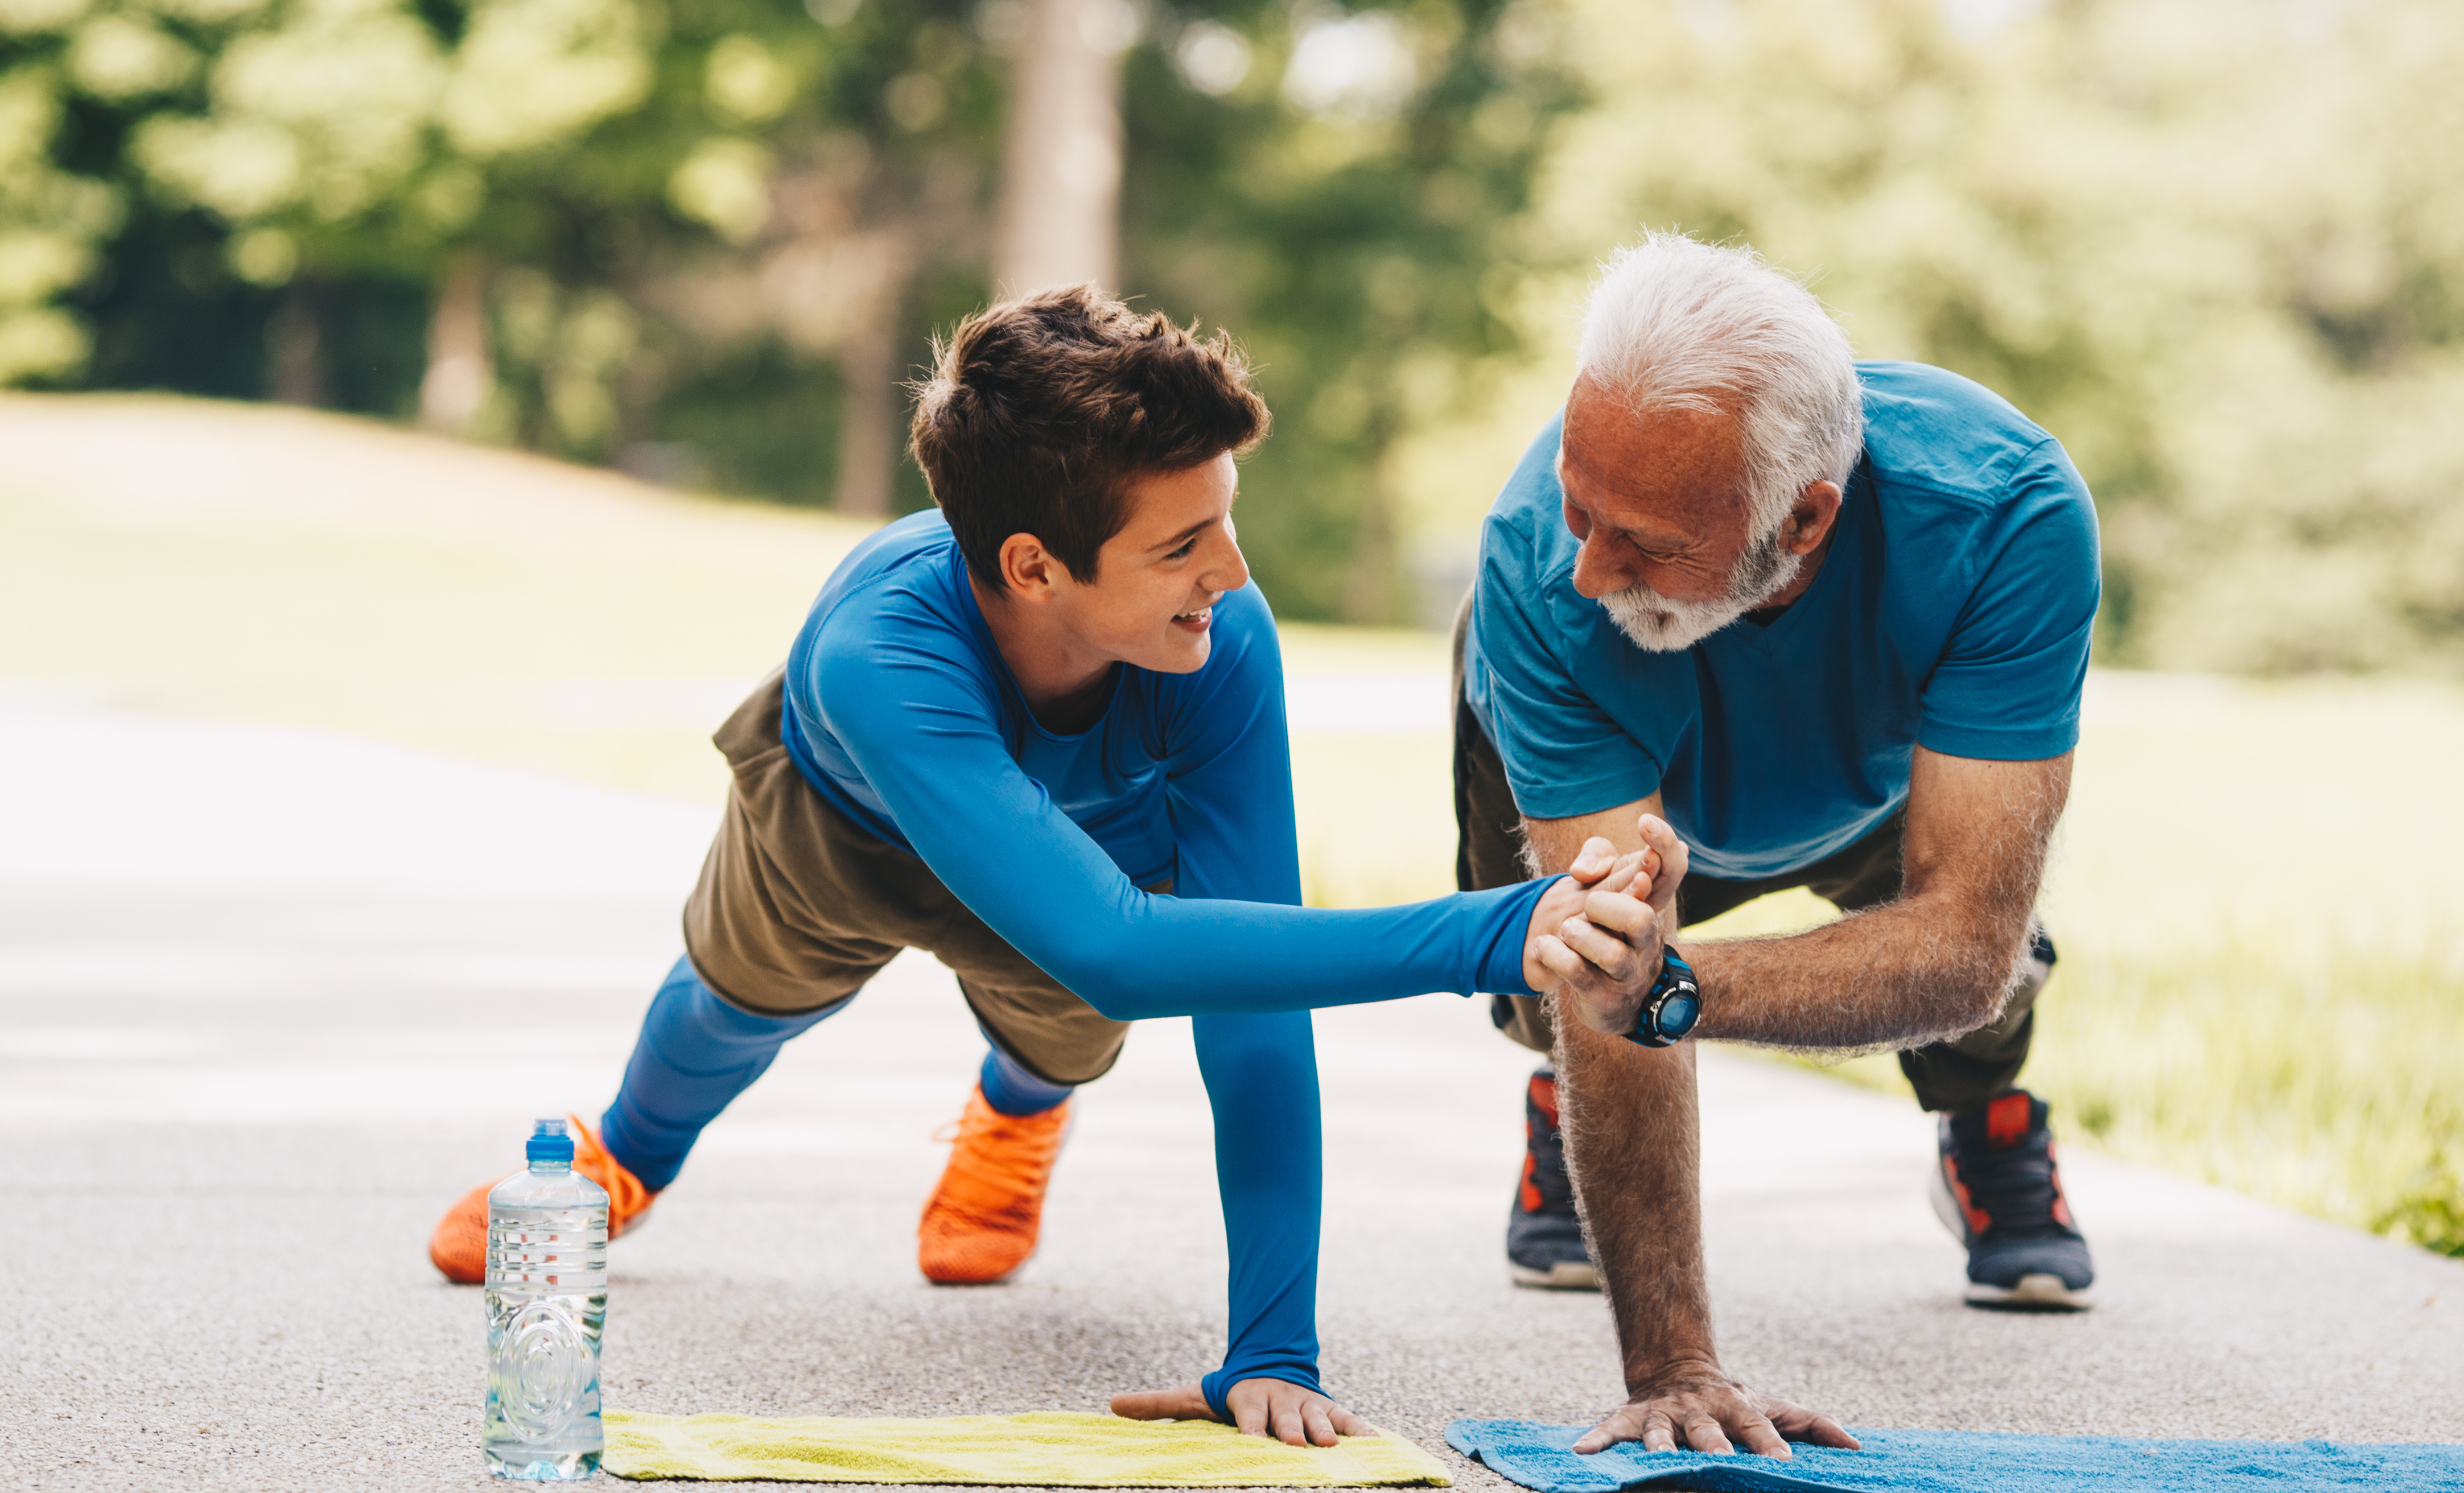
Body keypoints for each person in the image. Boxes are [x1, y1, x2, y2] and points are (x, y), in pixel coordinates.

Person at [425, 284, 1732, 1451]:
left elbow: (1240, 998)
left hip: (1086, 849)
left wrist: (1272, 1344)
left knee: (1075, 1020)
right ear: (1033, 568)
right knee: (739, 1000)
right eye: (1181, 547)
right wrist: (1489, 933)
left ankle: (1019, 1107)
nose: (1230, 573)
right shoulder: (879, 654)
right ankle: (624, 1161)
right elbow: (1117, 938)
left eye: (1224, 522)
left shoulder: (1218, 638)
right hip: (843, 835)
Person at [1457, 233, 2098, 1457]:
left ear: (1805, 519)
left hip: (1871, 784)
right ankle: (1571, 1108)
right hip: (1623, 770)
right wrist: (1675, 1368)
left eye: (1640, 539)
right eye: (1580, 506)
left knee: (1986, 979)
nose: (1589, 570)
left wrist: (1668, 990)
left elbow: (1961, 940)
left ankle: (1988, 1132)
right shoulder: (1538, 572)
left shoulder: (2005, 515)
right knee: (1549, 990)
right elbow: (1616, 959)